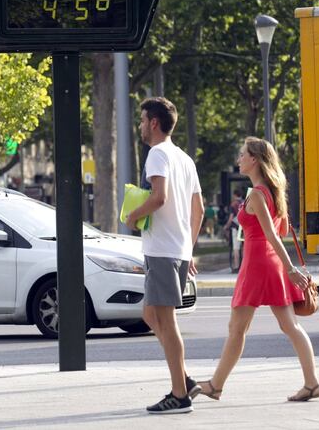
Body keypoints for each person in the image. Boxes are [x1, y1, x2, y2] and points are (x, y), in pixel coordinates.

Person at [196, 137, 319, 403]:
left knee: (237, 328)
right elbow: (284, 229)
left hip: (257, 264)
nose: (239, 159)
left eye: (242, 154)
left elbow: (272, 235)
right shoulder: (272, 191)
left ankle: (215, 386)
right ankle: (311, 383)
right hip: (269, 263)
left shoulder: (256, 193)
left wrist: (291, 269)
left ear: (254, 160)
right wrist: (285, 267)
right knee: (289, 326)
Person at [126, 97, 204, 414]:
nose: (141, 125)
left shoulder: (157, 154)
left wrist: (132, 216)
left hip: (162, 250)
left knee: (167, 322)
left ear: (154, 123)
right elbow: (197, 209)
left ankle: (179, 395)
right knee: (150, 315)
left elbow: (159, 198)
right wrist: (189, 246)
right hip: (176, 249)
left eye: (143, 120)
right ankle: (183, 379)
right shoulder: (184, 158)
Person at [223, 188, 243, 272]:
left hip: (235, 228)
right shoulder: (244, 202)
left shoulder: (233, 204)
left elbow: (231, 217)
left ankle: (236, 266)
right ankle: (243, 266)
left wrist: (226, 226)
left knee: (236, 248)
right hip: (244, 228)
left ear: (235, 195)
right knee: (243, 247)